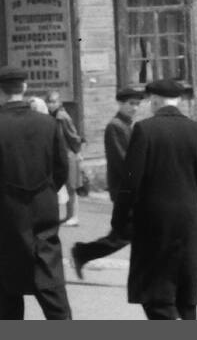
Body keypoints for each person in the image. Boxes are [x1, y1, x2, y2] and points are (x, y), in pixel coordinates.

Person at [110, 78, 197, 320]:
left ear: (155, 100)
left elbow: (130, 182)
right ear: (178, 100)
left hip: (153, 223)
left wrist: (119, 220)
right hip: (189, 223)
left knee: (156, 297)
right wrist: (192, 204)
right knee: (186, 296)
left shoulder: (144, 130)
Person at [0, 65, 71, 320]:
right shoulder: (48, 124)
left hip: (5, 220)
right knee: (53, 293)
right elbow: (61, 169)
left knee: (8, 299)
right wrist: (44, 195)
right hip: (43, 219)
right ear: (24, 88)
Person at [70, 85, 146, 279]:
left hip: (130, 190)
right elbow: (122, 161)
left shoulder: (128, 125)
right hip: (125, 191)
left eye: (137, 104)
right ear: (120, 103)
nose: (134, 108)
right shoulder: (116, 126)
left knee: (134, 233)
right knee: (123, 235)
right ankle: (81, 253)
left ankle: (83, 253)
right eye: (130, 104)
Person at [45, 90, 83, 227]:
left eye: (53, 102)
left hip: (69, 155)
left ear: (59, 103)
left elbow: (73, 136)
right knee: (65, 186)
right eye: (48, 102)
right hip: (60, 155)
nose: (51, 105)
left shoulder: (62, 116)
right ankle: (68, 215)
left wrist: (77, 152)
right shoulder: (52, 116)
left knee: (71, 187)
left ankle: (74, 216)